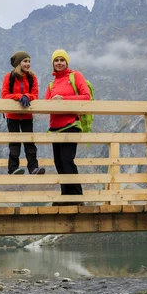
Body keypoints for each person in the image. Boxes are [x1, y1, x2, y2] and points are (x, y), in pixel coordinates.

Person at [45, 49, 90, 200]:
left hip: (70, 124)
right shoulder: (51, 85)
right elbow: (45, 104)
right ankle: (66, 198)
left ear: (66, 62)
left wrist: (63, 99)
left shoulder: (75, 76)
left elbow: (86, 97)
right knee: (58, 163)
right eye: (56, 60)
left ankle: (76, 198)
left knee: (67, 160)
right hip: (54, 128)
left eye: (61, 60)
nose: (59, 63)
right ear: (53, 63)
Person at [1, 51, 45, 175]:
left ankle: (33, 168)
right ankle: (13, 168)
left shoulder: (32, 77)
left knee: (29, 142)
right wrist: (20, 96)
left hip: (27, 116)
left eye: (29, 61)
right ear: (18, 63)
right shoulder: (9, 77)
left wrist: (26, 95)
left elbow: (35, 95)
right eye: (25, 61)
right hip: (12, 116)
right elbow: (5, 95)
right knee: (15, 142)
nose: (28, 64)